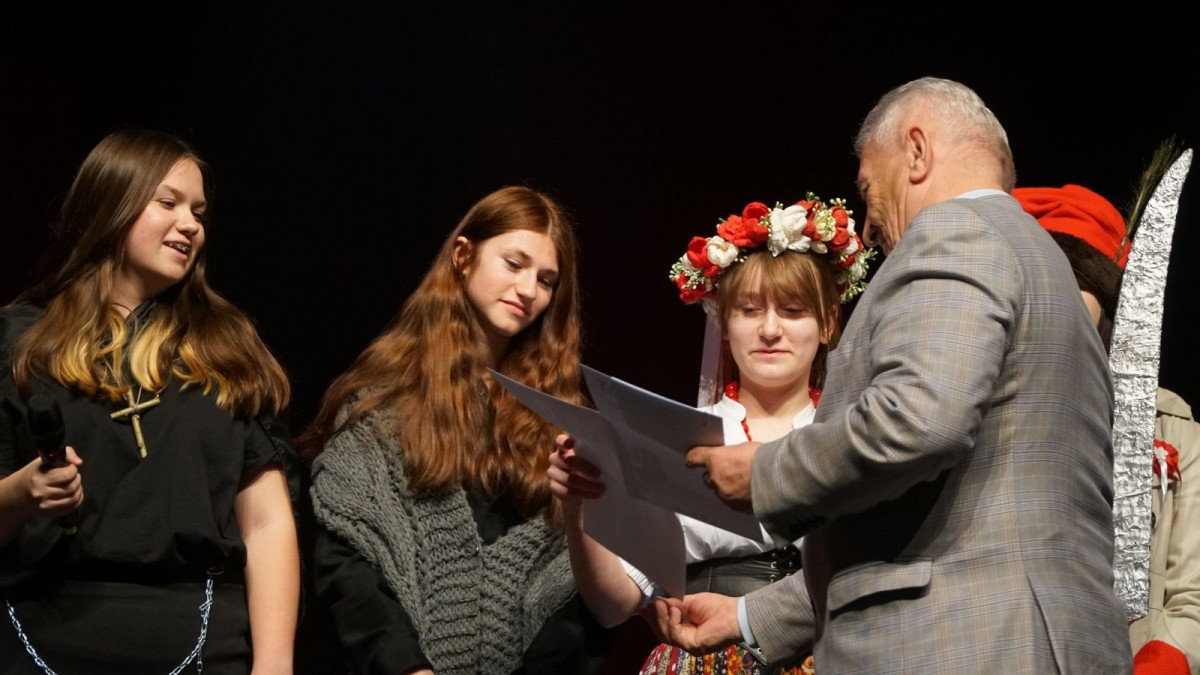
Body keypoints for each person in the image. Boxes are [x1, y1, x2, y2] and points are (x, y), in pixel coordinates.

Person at [668, 77, 1132, 671]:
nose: (867, 227)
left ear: (916, 151)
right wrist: (745, 616)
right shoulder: (1047, 274)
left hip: (964, 645)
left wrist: (765, 471)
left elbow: (918, 422)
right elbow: (947, 516)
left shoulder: (956, 231)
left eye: (868, 190)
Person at [0, 130, 301, 674]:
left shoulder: (225, 346)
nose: (190, 224)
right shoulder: (19, 342)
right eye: (168, 203)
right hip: (37, 640)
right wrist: (22, 494)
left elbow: (266, 522)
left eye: (199, 212)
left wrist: (275, 667)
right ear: (111, 205)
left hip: (200, 645)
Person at [548, 197, 871, 674]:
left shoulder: (851, 433)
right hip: (705, 659)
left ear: (826, 324)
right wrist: (577, 508)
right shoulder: (682, 436)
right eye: (748, 310)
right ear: (724, 323)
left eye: (793, 310)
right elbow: (613, 604)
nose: (769, 329)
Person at [306, 186, 609, 674]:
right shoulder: (384, 403)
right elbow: (350, 562)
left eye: (547, 279)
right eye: (514, 264)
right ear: (463, 256)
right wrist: (407, 667)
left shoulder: (560, 417)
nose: (529, 290)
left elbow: (578, 586)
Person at [1015, 183, 1200, 674]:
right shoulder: (985, 413)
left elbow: (1193, 591)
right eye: (1043, 281)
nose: (1060, 301)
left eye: (1074, 280)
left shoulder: (1172, 428)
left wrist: (1163, 660)